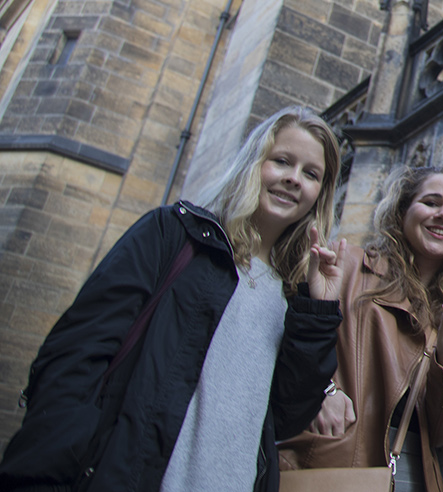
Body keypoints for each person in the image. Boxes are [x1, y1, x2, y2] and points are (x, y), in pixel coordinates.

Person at [0, 106, 346, 492]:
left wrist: (318, 309)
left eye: (311, 173)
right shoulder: (174, 236)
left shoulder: (292, 294)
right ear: (254, 162)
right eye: (282, 161)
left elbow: (285, 416)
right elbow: (74, 360)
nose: (293, 179)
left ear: (321, 193)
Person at [279, 164, 443, 492]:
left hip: (409, 473)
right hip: (332, 463)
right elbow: (284, 347)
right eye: (431, 202)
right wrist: (322, 390)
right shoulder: (347, 267)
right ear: (403, 210)